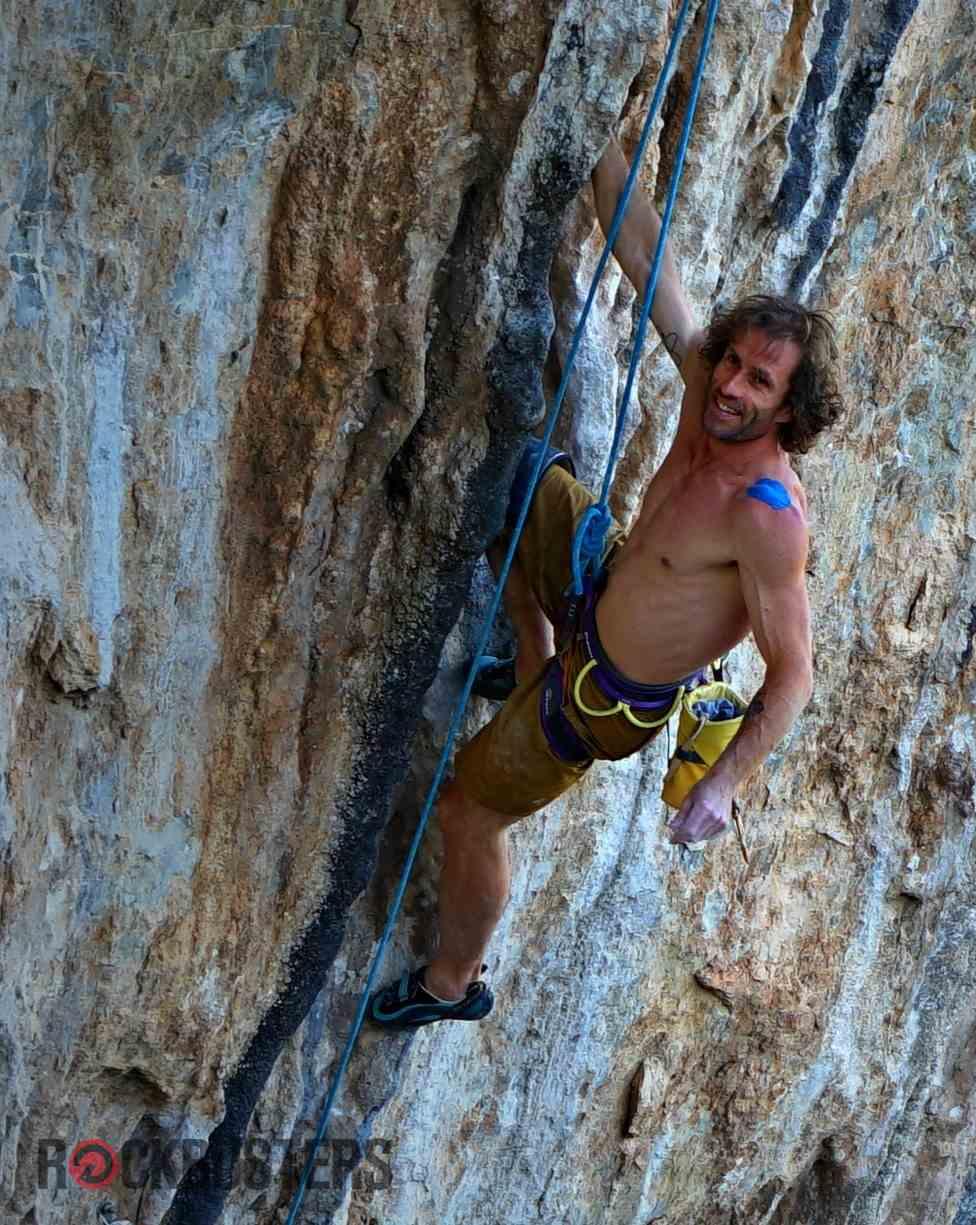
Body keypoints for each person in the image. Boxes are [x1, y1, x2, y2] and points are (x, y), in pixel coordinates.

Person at [368, 139, 842, 1029]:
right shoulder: (707, 381)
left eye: (759, 381)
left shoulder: (768, 514)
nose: (732, 386)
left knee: (470, 811)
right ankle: (525, 656)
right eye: (734, 361)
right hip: (598, 588)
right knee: (512, 477)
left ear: (790, 407)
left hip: (602, 698)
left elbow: (793, 677)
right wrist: (603, 147)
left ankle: (450, 983)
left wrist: (723, 784)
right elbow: (644, 252)